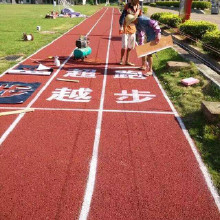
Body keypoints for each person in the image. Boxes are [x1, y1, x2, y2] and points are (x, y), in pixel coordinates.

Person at [119, 0, 142, 66]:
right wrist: (121, 26)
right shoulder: (128, 6)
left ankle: (127, 61)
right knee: (124, 46)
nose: (137, 1)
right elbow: (123, 16)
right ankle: (121, 59)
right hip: (125, 27)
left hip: (133, 28)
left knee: (130, 46)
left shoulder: (139, 7)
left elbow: (140, 18)